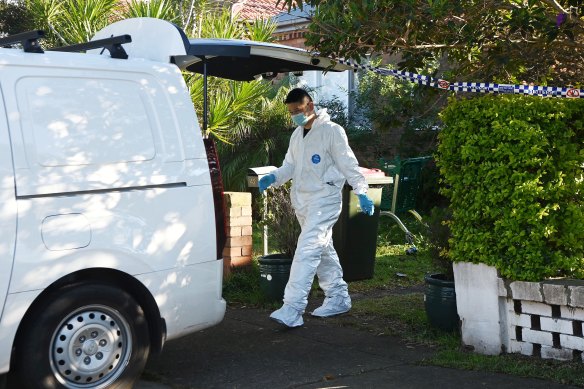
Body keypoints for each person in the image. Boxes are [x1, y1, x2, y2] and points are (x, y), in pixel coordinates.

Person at [258, 88, 375, 328]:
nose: (295, 116)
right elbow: (289, 166)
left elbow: (348, 164)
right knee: (322, 249)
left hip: (325, 200)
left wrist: (362, 192)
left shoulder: (332, 132)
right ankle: (338, 297)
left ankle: (292, 307)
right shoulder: (296, 136)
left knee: (307, 250)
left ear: (310, 105)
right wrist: (274, 177)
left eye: (298, 111)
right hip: (303, 202)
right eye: (291, 113)